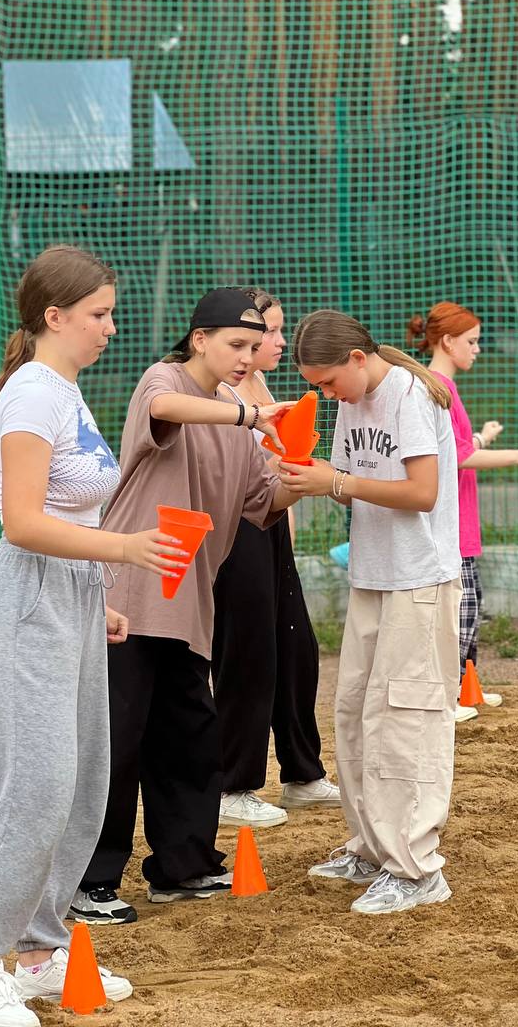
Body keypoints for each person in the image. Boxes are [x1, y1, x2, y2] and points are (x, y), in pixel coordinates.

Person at [0, 245, 187, 1027]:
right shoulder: (32, 396)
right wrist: (124, 551)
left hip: (70, 598)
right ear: (55, 317)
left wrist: (96, 597)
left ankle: (42, 954)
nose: (111, 328)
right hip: (23, 600)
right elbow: (23, 523)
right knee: (36, 789)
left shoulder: (64, 391)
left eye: (111, 312)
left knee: (82, 788)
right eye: (99, 314)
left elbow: (67, 510)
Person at [73, 288, 303, 916]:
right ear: (200, 339)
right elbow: (170, 407)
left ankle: (182, 865)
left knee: (191, 738)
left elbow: (262, 502)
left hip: (188, 604)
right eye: (236, 345)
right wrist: (249, 418)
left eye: (255, 348)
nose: (246, 359)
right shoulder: (165, 380)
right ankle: (89, 880)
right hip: (130, 594)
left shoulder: (235, 416)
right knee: (118, 741)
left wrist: (308, 477)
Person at [278, 309, 461, 915]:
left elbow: (422, 493)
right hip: (374, 572)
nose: (323, 394)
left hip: (419, 577)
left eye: (327, 381)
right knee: (355, 708)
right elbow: (352, 474)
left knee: (405, 718)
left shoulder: (409, 395)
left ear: (358, 359)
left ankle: (415, 867)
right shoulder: (352, 398)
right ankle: (371, 847)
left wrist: (336, 483)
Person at [213, 288, 340, 830]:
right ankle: (232, 785)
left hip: (270, 532)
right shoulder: (220, 392)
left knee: (296, 649)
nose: (281, 341)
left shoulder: (260, 386)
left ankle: (302, 774)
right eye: (272, 331)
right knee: (248, 656)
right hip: (234, 532)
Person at [408, 302, 518, 721]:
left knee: (470, 604)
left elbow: (455, 447)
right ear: (448, 341)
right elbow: (455, 456)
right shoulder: (438, 385)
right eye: (472, 342)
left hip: (462, 521)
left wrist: (480, 438)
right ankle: (445, 695)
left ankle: (465, 688)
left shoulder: (441, 386)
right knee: (464, 607)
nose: (477, 350)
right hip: (452, 524)